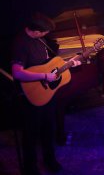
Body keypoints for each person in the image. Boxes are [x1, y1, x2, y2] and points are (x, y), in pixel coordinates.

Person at [11, 12, 81, 175]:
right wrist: (43, 76)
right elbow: (17, 73)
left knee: (49, 129)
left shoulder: (40, 40)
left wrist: (69, 64)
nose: (46, 35)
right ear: (35, 31)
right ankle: (30, 168)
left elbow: (49, 65)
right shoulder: (20, 43)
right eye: (44, 33)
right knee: (31, 134)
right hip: (31, 97)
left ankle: (50, 160)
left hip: (48, 95)